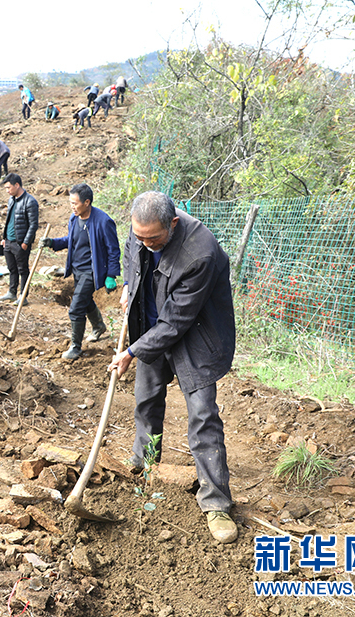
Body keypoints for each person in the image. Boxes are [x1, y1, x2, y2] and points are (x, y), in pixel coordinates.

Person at [108, 191, 237, 544]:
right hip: (151, 327)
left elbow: (177, 321)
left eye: (154, 238)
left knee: (202, 416)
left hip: (195, 336)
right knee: (146, 401)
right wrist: (128, 286)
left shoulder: (200, 251)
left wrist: (132, 351)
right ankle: (146, 463)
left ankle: (216, 502)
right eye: (140, 236)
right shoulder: (140, 231)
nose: (145, 242)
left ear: (173, 224)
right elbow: (132, 257)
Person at [41, 184, 120, 359]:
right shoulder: (74, 218)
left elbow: (113, 250)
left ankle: (75, 347)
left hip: (92, 271)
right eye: (70, 202)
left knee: (76, 309)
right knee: (85, 300)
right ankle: (99, 326)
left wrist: (111, 275)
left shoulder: (103, 221)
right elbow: (72, 239)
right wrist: (53, 243)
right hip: (77, 268)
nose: (72, 206)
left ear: (87, 202)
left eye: (75, 203)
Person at [0, 173, 39, 306]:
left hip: (20, 243)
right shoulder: (11, 200)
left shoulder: (30, 201)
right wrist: (4, 238)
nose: (7, 191)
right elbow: (9, 221)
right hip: (9, 242)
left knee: (23, 270)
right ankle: (11, 292)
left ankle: (23, 296)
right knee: (12, 269)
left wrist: (26, 242)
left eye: (8, 187)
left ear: (17, 185)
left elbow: (33, 225)